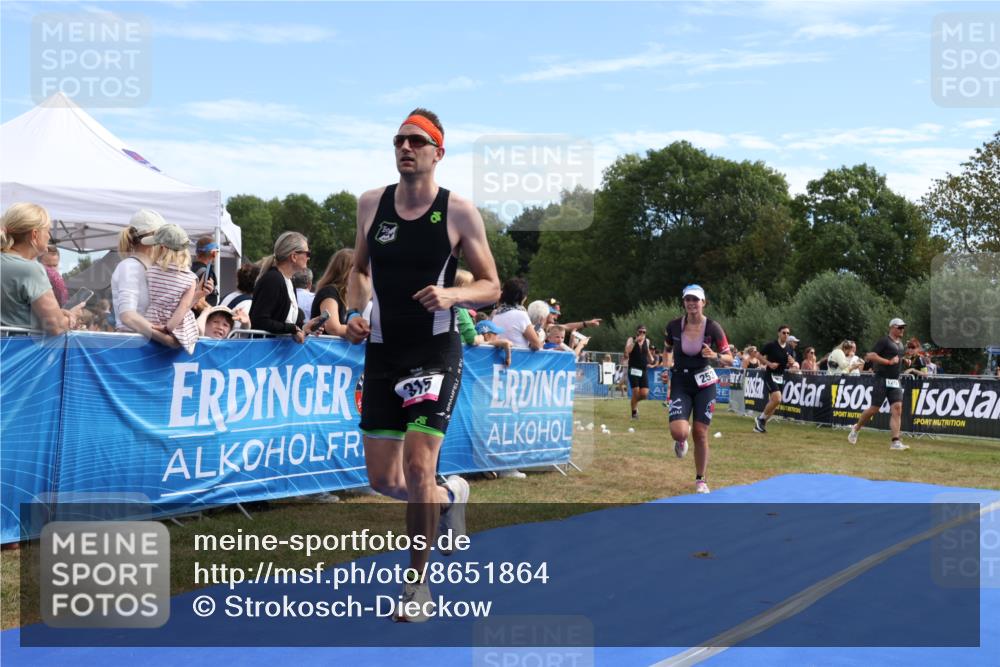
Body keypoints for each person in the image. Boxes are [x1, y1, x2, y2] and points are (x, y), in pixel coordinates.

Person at [343, 108, 501, 622]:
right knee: (385, 480)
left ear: (438, 152)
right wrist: (351, 313)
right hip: (384, 352)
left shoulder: (459, 212)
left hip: (434, 353)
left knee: (417, 466)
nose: (405, 148)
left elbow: (491, 285)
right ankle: (452, 492)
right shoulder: (372, 204)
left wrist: (453, 294)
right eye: (398, 140)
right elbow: (359, 271)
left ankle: (417, 586)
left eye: (416, 141)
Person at [660, 285, 732, 494]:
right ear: (684, 302)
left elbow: (729, 358)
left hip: (705, 383)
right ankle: (681, 441)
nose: (692, 303)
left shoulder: (713, 328)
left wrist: (715, 356)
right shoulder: (674, 326)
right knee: (679, 432)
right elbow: (667, 350)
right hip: (681, 381)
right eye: (688, 299)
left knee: (700, 433)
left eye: (696, 299)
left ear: (704, 302)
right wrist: (666, 368)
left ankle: (701, 479)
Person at [0, 203, 81, 334]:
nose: (49, 236)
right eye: (47, 230)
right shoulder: (30, 269)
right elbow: (56, 326)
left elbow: (14, 312)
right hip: (21, 350)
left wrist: (58, 313)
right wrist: (72, 317)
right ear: (35, 235)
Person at [249, 231, 323, 342]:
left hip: (278, 354)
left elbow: (284, 322)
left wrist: (305, 328)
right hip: (265, 353)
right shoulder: (273, 279)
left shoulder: (288, 281)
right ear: (294, 256)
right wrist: (292, 329)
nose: (309, 258)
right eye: (307, 254)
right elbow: (260, 320)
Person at [848, 318, 910, 450]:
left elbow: (896, 358)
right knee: (874, 409)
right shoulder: (884, 341)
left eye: (903, 327)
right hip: (881, 379)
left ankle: (895, 442)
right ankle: (856, 428)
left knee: (897, 409)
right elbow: (870, 356)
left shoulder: (900, 344)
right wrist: (888, 362)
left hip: (895, 380)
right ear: (892, 327)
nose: (902, 330)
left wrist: (904, 361)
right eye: (900, 327)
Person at [143, 224, 202, 354]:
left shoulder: (149, 272)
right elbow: (184, 307)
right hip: (177, 328)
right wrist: (168, 328)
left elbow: (144, 300)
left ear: (162, 248)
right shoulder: (190, 279)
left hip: (150, 319)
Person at [753, 325, 798, 434]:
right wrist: (769, 363)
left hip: (780, 376)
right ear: (778, 333)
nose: (786, 335)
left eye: (788, 333)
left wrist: (792, 363)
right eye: (784, 332)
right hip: (770, 374)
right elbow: (758, 355)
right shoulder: (771, 345)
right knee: (777, 399)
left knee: (775, 403)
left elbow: (790, 363)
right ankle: (760, 418)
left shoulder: (789, 348)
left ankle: (760, 426)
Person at [311, 248, 355, 337]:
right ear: (346, 270)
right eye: (357, 268)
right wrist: (364, 331)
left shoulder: (346, 294)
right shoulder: (329, 292)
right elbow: (333, 328)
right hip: (325, 349)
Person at [491, 278, 542, 350]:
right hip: (517, 359)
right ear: (523, 297)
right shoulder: (521, 315)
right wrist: (537, 331)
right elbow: (537, 345)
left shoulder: (496, 313)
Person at [625, 325, 654, 419]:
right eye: (640, 331)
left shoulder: (647, 341)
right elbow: (627, 351)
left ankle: (634, 402)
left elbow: (647, 351)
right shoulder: (631, 339)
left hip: (643, 369)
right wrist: (635, 341)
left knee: (644, 394)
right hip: (633, 369)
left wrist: (650, 357)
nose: (642, 334)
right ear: (636, 332)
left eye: (644, 332)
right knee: (636, 392)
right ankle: (634, 413)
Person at [191, 236, 220, 306]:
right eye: (217, 251)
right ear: (213, 253)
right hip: (201, 315)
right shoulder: (207, 273)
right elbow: (200, 302)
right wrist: (211, 313)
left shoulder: (189, 268)